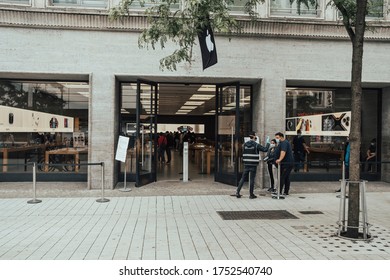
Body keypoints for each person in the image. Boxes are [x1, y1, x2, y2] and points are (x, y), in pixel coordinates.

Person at [235, 131, 270, 199]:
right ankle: (251, 195)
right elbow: (265, 149)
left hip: (246, 164)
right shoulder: (256, 144)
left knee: (243, 178)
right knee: (252, 179)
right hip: (253, 165)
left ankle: (237, 192)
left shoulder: (244, 144)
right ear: (254, 136)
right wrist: (268, 143)